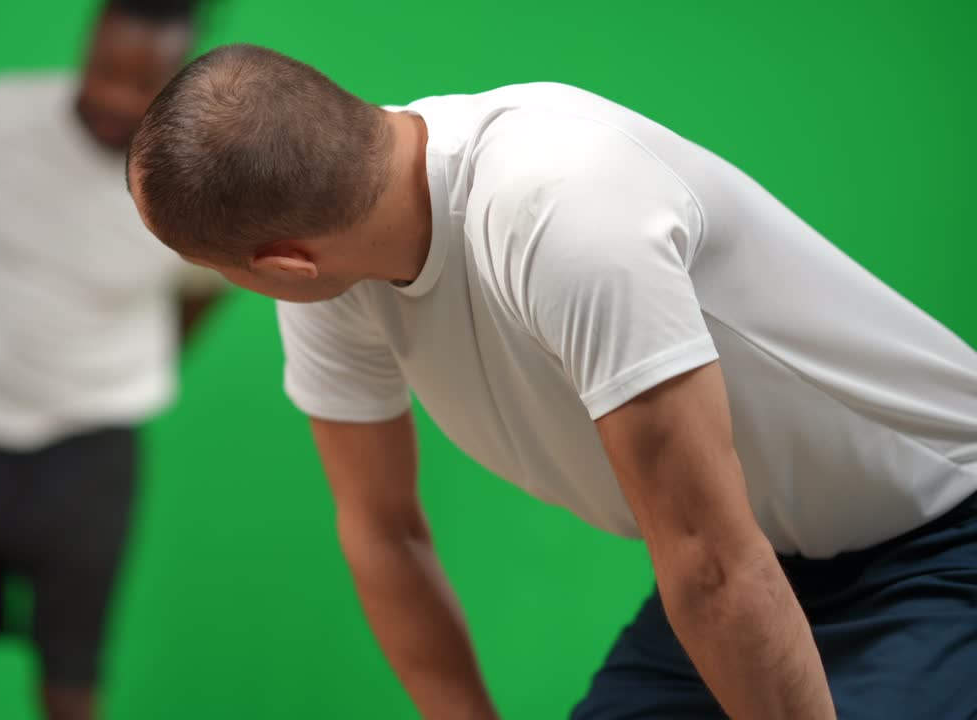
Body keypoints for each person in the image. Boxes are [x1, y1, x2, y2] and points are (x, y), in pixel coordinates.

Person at [125, 44, 977, 719]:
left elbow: (712, 565)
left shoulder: (562, 207)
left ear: (283, 262)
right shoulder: (333, 276)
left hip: (942, 530)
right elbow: (382, 531)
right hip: (768, 560)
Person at [0, 2, 221, 719]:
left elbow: (201, 296)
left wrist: (126, 366)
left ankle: (48, 623)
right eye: (105, 69)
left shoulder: (195, 193)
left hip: (91, 454)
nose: (113, 97)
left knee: (69, 696)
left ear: (178, 83)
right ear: (86, 44)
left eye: (143, 83)